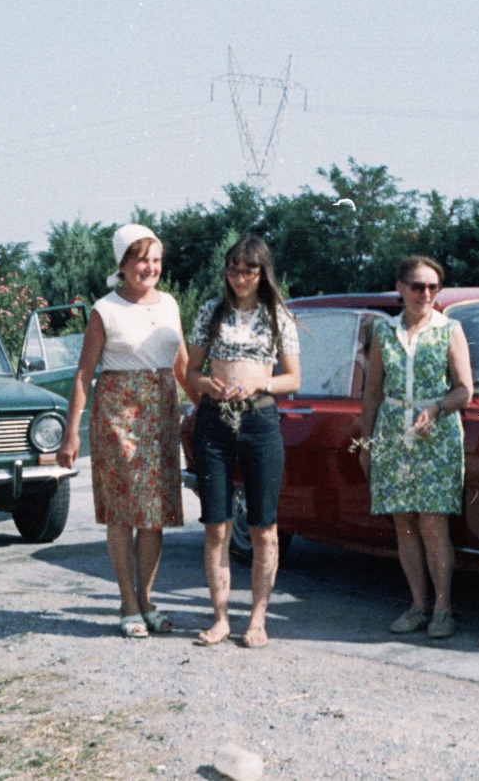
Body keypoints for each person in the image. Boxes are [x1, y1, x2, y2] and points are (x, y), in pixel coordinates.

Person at [56, 224, 190, 638]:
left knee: (153, 516)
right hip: (118, 414)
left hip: (161, 411)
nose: (148, 268)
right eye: (140, 260)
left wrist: (208, 408)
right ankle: (127, 604)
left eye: (155, 260)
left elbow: (183, 365)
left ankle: (146, 600)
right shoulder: (105, 309)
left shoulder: (169, 304)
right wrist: (71, 433)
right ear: (123, 264)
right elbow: (83, 373)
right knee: (123, 512)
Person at [185, 236, 302, 649]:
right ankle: (220, 618)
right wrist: (207, 386)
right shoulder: (210, 312)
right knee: (216, 526)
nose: (240, 278)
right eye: (233, 269)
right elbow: (190, 374)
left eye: (249, 270)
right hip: (215, 421)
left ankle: (257, 618)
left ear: (262, 272)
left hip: (260, 420)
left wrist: (260, 382)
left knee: (264, 528)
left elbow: (293, 378)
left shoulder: (277, 316)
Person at [358, 256, 474, 641]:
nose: (426, 294)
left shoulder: (449, 329)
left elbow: (464, 389)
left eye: (433, 287)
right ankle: (417, 605)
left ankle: (443, 609)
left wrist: (437, 408)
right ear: (400, 288)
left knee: (433, 522)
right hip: (393, 431)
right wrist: (368, 441)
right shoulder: (383, 331)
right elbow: (373, 391)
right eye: (417, 286)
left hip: (436, 434)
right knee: (404, 522)